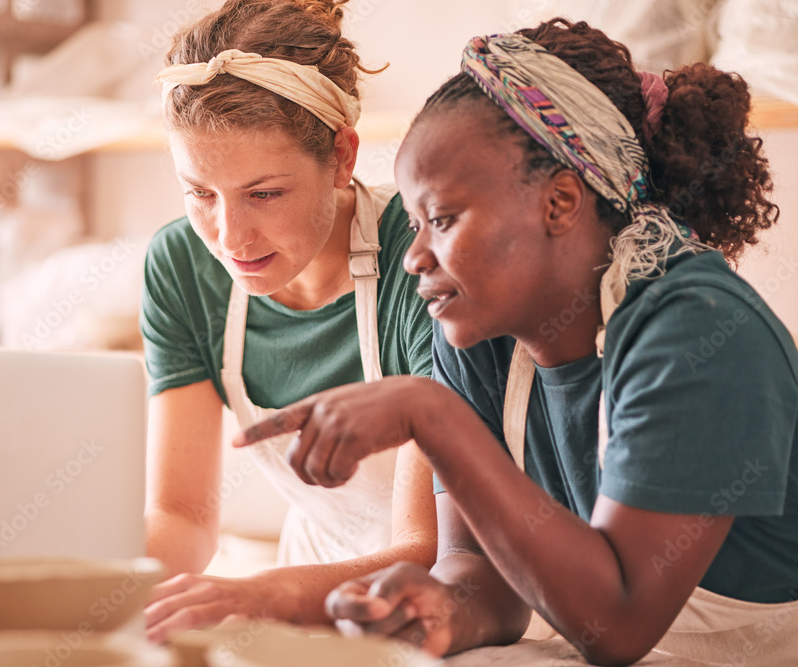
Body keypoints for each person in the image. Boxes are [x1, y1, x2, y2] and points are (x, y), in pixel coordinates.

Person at [234, 18, 798, 665]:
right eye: (413, 225)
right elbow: (482, 573)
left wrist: (432, 414)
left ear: (559, 202)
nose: (414, 256)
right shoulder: (477, 337)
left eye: (441, 219)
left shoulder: (695, 329)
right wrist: (435, 610)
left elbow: (618, 623)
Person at [140, 0, 437, 644]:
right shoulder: (181, 266)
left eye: (264, 193)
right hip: (304, 579)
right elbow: (182, 514)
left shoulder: (423, 259)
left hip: (432, 596)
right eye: (200, 193)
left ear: (342, 156)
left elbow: (423, 550)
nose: (230, 235)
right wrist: (111, 597)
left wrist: (256, 596)